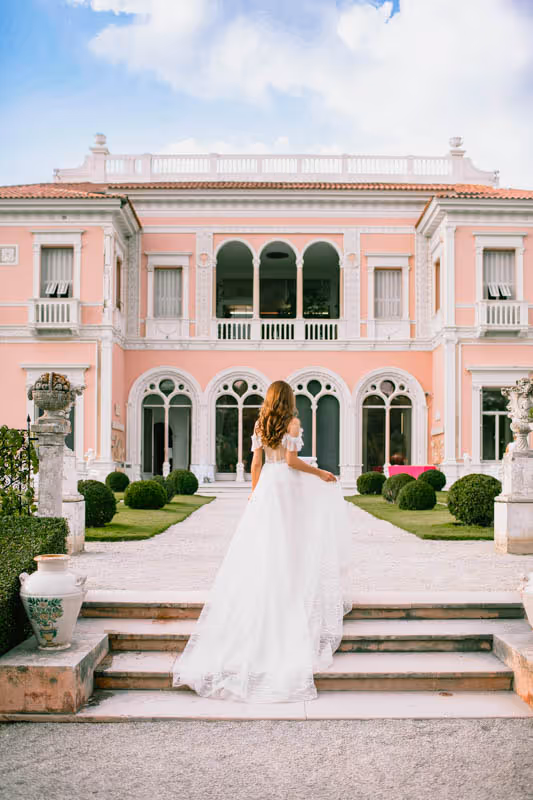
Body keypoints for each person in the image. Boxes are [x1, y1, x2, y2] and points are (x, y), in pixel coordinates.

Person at [172, 380, 352, 703]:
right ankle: (289, 595)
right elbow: (294, 462)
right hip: (286, 484)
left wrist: (255, 494)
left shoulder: (260, 423)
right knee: (289, 542)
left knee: (264, 546)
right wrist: (321, 473)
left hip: (268, 483)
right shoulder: (293, 423)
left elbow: (256, 463)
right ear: (289, 399)